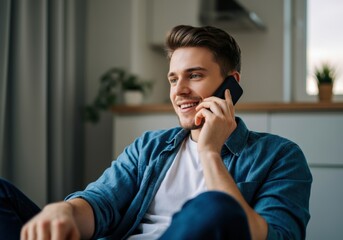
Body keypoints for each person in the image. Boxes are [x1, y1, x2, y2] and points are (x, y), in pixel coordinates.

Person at [0, 25, 312, 240]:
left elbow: (277, 235)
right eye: (174, 79)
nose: (180, 91)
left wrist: (209, 153)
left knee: (216, 207)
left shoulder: (280, 156)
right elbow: (101, 203)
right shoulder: (149, 146)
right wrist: (66, 210)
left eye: (195, 76)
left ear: (231, 83)